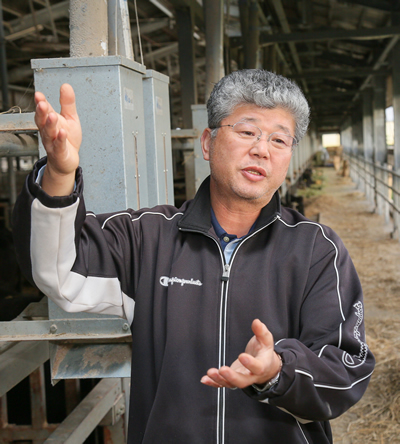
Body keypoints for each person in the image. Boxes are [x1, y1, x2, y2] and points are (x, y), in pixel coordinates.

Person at [12, 69, 375, 444]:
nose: (262, 149)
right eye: (247, 132)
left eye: (279, 140)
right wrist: (59, 174)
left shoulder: (316, 250)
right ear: (207, 142)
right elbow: (57, 271)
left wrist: (278, 371)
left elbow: (347, 370)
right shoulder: (147, 237)